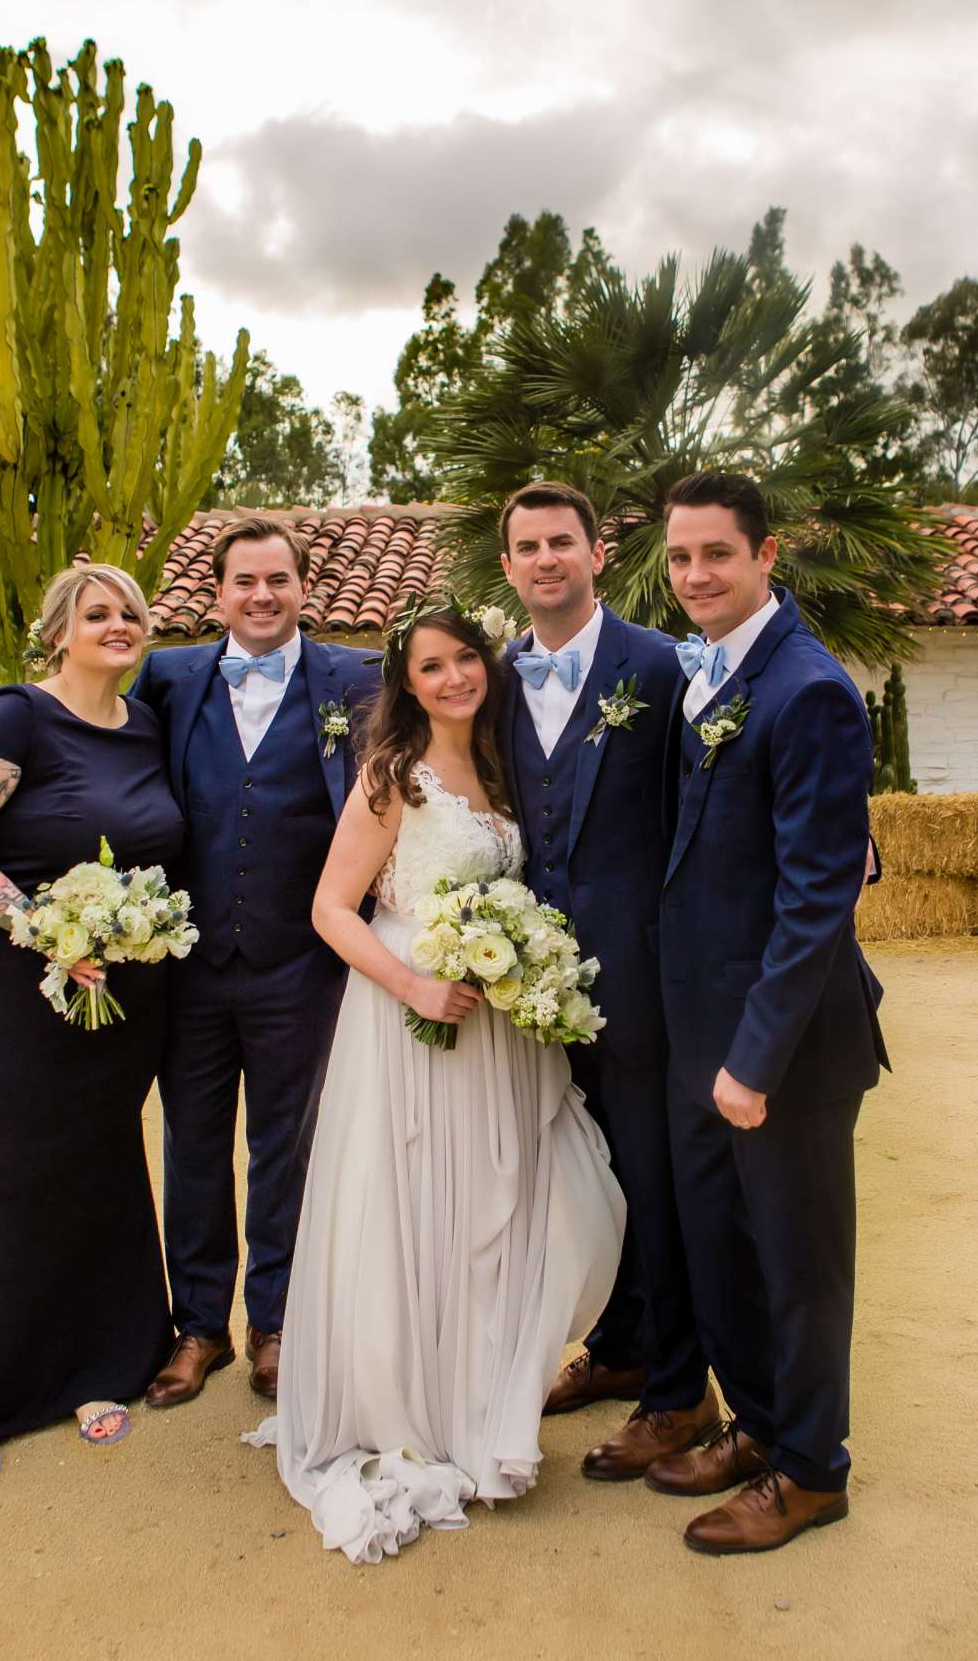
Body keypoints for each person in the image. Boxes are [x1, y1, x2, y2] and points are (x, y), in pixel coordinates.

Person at [247, 604, 625, 1563]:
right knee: (418, 1203)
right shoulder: (390, 778)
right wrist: (416, 980)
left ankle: (482, 1392)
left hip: (500, 1025)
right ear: (404, 681)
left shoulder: (503, 771)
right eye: (431, 665)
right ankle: (419, 1406)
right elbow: (332, 909)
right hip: (412, 1016)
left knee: (507, 1202)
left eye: (466, 658)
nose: (454, 676)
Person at [651, 471, 888, 1554]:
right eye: (682, 556)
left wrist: (750, 1063)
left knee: (797, 1262)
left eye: (717, 555)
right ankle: (755, 1426)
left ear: (766, 557)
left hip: (782, 1045)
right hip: (698, 1028)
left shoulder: (809, 690)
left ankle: (810, 1470)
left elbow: (815, 902)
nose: (696, 574)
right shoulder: (704, 678)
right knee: (722, 1250)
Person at [0, 564, 181, 1481]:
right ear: (59, 631)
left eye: (132, 613)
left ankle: (101, 1369)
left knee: (94, 1176)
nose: (119, 625)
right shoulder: (17, 717)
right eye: (97, 613)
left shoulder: (146, 730)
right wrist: (34, 924)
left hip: (111, 1005)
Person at [129, 516, 380, 1410]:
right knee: (193, 1145)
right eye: (245, 582)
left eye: (279, 580)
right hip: (189, 965)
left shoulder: (357, 676)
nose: (263, 596)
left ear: (304, 588)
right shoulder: (167, 678)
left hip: (301, 965)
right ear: (219, 592)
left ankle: (275, 1323)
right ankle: (199, 1327)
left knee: (288, 1151)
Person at [497, 483, 717, 1480]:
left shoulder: (662, 668)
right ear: (507, 566)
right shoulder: (491, 680)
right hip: (526, 990)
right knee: (582, 1177)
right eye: (527, 546)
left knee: (654, 1180)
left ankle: (680, 1393)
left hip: (637, 977)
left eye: (561, 543)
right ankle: (622, 1350)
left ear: (596, 553)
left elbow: (707, 812)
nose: (546, 559)